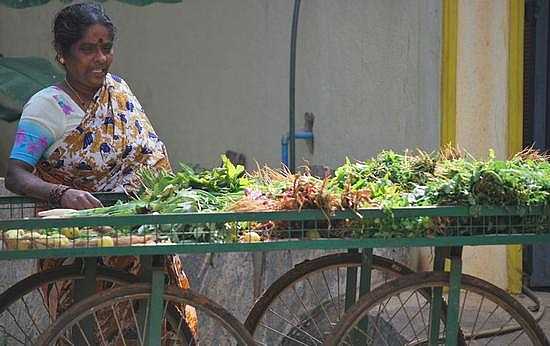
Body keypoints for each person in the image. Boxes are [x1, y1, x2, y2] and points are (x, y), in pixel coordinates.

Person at [5, 2, 197, 338]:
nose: (100, 59)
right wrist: (63, 194)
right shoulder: (47, 107)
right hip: (78, 250)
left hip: (138, 237)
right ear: (63, 54)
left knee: (154, 328)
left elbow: (147, 157)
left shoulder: (119, 93)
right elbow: (16, 174)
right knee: (90, 335)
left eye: (106, 49)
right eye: (88, 49)